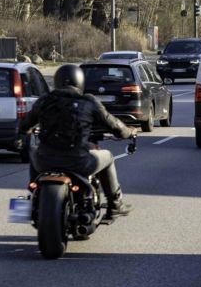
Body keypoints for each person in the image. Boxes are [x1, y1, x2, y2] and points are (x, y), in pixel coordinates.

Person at [19, 64, 135, 218]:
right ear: (80, 81)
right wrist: (130, 132)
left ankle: (34, 191)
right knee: (107, 156)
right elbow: (115, 126)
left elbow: (24, 125)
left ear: (57, 81)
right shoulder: (88, 101)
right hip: (78, 162)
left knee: (34, 150)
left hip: (44, 162)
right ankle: (115, 204)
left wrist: (24, 133)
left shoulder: (44, 100)